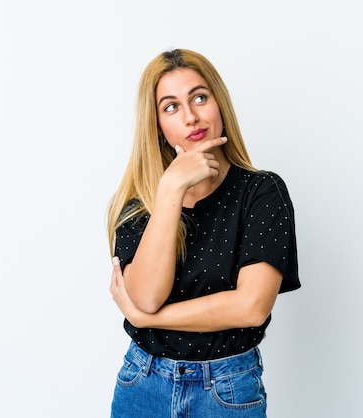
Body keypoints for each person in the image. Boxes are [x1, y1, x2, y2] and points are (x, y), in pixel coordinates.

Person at [107, 48, 301, 418]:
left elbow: (252, 307)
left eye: (199, 97)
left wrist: (151, 321)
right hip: (143, 383)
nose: (191, 116)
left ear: (219, 104)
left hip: (227, 388)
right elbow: (144, 297)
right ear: (158, 126)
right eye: (171, 107)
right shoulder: (139, 204)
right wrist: (170, 191)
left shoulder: (261, 193)